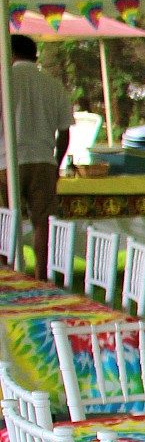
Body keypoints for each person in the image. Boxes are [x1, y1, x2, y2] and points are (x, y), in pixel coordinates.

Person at [4, 35, 73, 280]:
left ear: (9, 53)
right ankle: (41, 276)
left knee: (3, 222)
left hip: (6, 161)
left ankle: (5, 275)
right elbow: (65, 132)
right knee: (42, 222)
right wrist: (57, 161)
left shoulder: (4, 80)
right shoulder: (53, 84)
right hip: (43, 159)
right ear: (34, 55)